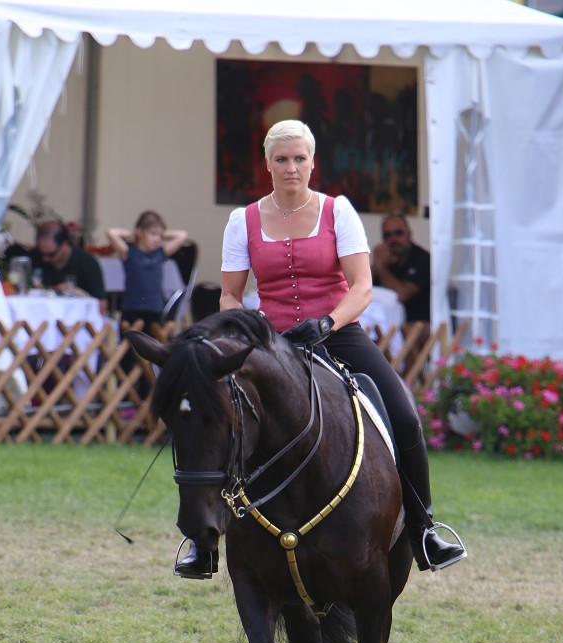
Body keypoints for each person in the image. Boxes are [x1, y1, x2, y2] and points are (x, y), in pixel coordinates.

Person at [176, 119, 466, 581]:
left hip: (337, 331)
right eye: (281, 159)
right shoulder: (242, 220)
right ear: (268, 164)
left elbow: (363, 286)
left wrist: (328, 321)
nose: (291, 168)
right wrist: (253, 327)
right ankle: (201, 538)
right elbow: (230, 295)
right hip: (269, 341)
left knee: (405, 414)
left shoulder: (338, 212)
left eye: (299, 159)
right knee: (215, 419)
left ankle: (424, 528)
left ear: (313, 162)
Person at [106, 211, 188, 332]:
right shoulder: (129, 252)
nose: (157, 239)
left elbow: (182, 235)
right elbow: (111, 233)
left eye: (160, 236)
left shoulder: (160, 253)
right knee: (130, 346)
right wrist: (133, 235)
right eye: (153, 234)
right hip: (132, 309)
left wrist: (161, 234)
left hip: (154, 310)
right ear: (140, 232)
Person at [31, 222, 107, 315]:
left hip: (78, 320)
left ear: (64, 244)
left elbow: (102, 307)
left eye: (51, 254)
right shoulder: (33, 258)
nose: (45, 259)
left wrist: (82, 295)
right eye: (41, 253)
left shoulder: (86, 262)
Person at [371, 214, 430, 324]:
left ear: (409, 234)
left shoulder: (423, 259)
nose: (393, 239)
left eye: (398, 233)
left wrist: (381, 267)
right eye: (387, 235)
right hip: (384, 322)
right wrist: (375, 265)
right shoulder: (384, 259)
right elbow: (364, 291)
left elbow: (401, 295)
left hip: (416, 323)